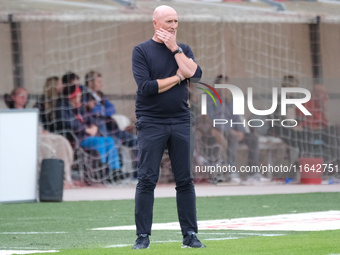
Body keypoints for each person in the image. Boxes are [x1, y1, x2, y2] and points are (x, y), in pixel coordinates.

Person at [131, 5, 205, 249]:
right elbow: (147, 87)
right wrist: (177, 77)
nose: (173, 26)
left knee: (185, 180)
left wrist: (175, 49)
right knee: (147, 180)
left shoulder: (182, 49)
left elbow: (195, 74)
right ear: (155, 23)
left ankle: (190, 235)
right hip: (151, 122)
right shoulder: (141, 51)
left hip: (181, 121)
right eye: (168, 21)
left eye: (176, 21)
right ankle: (143, 237)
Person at [6, 87, 75, 187]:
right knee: (45, 143)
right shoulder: (9, 114)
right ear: (13, 97)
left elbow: (39, 127)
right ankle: (49, 177)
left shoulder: (31, 112)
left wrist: (42, 131)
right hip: (26, 140)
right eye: (21, 95)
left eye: (26, 96)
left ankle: (64, 177)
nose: (24, 98)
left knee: (61, 140)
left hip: (40, 135)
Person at [55, 84, 121, 175]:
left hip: (89, 135)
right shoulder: (62, 108)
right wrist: (86, 130)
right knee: (100, 141)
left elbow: (91, 119)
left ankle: (115, 170)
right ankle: (101, 170)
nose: (80, 97)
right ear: (72, 97)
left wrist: (94, 126)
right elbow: (68, 123)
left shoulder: (80, 108)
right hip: (78, 138)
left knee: (109, 140)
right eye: (78, 95)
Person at [207, 75, 261, 183]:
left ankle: (253, 172)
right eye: (224, 86)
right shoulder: (209, 98)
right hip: (220, 131)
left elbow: (236, 116)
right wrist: (232, 131)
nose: (227, 88)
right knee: (232, 138)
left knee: (253, 138)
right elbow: (213, 118)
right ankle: (232, 170)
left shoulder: (229, 99)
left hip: (235, 131)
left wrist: (241, 131)